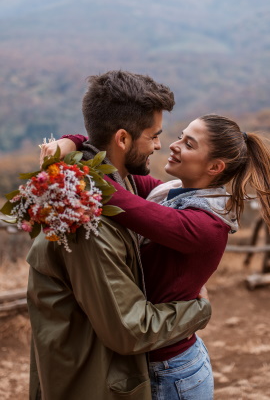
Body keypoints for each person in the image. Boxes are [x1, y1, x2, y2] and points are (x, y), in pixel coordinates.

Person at [52, 113, 270, 400]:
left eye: (189, 144)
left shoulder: (203, 225)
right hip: (155, 360)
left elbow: (110, 193)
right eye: (180, 136)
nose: (173, 145)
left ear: (215, 166)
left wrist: (72, 149)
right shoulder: (169, 191)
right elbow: (112, 170)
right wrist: (74, 141)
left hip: (172, 372)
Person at [28, 70, 212, 400]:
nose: (159, 145)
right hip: (93, 382)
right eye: (153, 136)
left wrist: (70, 141)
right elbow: (129, 330)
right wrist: (198, 310)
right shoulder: (86, 219)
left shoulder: (110, 180)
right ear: (123, 139)